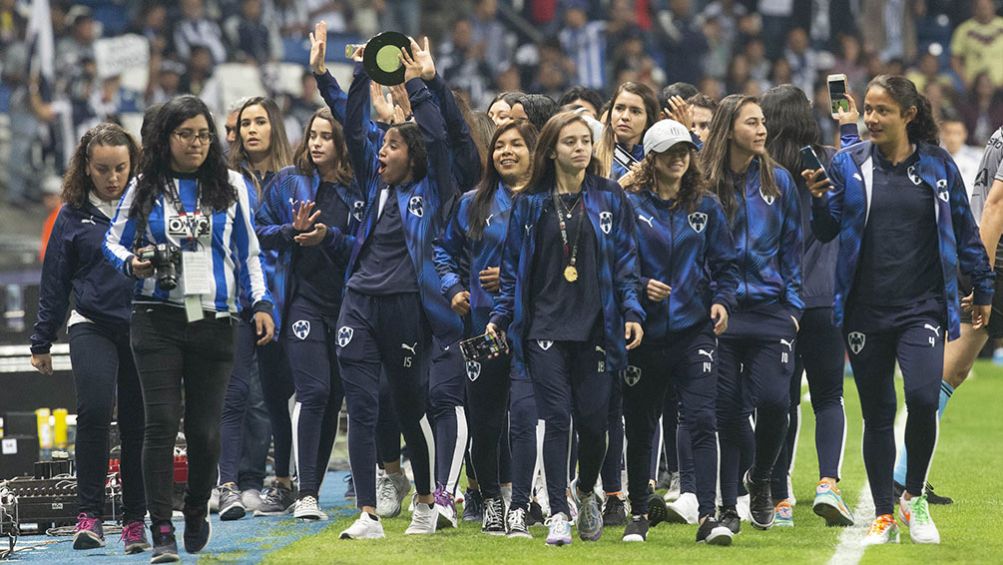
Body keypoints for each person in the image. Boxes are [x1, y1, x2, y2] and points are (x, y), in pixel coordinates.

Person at [809, 75, 994, 546]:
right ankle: (885, 514)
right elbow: (829, 230)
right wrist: (819, 202)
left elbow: (964, 230)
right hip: (865, 310)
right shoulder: (850, 164)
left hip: (923, 307)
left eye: (882, 110)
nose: (870, 118)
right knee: (877, 412)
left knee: (925, 398)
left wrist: (984, 287)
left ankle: (914, 497)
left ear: (908, 114)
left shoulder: (936, 165)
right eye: (867, 109)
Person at [104, 95, 274, 563]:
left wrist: (260, 302)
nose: (197, 143)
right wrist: (132, 264)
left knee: (204, 432)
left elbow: (249, 254)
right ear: (166, 139)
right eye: (186, 135)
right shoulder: (143, 188)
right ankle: (162, 529)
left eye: (203, 134)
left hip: (215, 320)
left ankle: (197, 506)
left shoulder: (232, 185)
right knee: (160, 424)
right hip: (155, 319)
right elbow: (111, 243)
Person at [486, 111, 644, 546]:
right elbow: (513, 271)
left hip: (597, 328)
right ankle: (558, 512)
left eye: (585, 141)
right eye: (570, 141)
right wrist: (500, 317)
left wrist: (632, 313)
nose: (580, 147)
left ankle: (586, 487)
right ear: (552, 149)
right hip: (544, 330)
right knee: (557, 420)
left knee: (595, 426)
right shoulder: (530, 204)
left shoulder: (610, 197)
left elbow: (628, 263)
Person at [335, 39, 462, 540]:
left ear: (414, 155)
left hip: (409, 308)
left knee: (411, 407)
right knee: (362, 407)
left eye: (392, 145)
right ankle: (366, 513)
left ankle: (427, 503)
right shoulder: (375, 184)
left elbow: (437, 134)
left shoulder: (432, 190)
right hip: (359, 302)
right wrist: (362, 72)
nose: (381, 150)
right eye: (382, 144)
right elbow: (351, 126)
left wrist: (415, 82)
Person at [619, 119, 739, 545]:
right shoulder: (628, 205)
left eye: (685, 150)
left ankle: (709, 515)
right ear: (650, 158)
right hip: (644, 334)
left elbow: (726, 265)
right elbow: (616, 264)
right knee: (640, 425)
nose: (679, 158)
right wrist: (638, 287)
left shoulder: (705, 206)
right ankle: (637, 512)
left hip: (694, 332)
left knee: (703, 419)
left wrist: (723, 301)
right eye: (669, 151)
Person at [30, 124, 149, 554]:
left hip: (141, 326)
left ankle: (136, 520)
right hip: (91, 323)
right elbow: (54, 281)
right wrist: (41, 341)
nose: (113, 177)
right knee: (95, 409)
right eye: (103, 169)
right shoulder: (71, 214)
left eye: (120, 168)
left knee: (138, 423)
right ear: (86, 167)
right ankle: (90, 516)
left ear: (133, 164)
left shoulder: (147, 207)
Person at [700, 94, 803, 533]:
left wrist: (794, 309)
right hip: (719, 314)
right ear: (729, 129)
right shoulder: (702, 185)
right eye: (751, 123)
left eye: (763, 123)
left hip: (771, 311)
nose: (762, 130)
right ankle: (728, 505)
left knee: (775, 402)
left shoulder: (778, 181)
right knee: (725, 410)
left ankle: (761, 478)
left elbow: (793, 249)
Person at [255, 106, 364, 520]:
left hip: (348, 306)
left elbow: (363, 244)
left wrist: (328, 238)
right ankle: (305, 493)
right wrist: (291, 232)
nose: (316, 143)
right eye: (312, 135)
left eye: (326, 136)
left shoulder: (360, 191)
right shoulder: (289, 182)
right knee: (314, 392)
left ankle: (312, 489)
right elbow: (259, 230)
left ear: (342, 142)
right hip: (302, 301)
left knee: (335, 396)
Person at [760, 84, 860, 528]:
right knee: (828, 397)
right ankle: (827, 485)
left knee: (780, 401)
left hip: (774, 301)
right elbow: (864, 168)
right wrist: (850, 124)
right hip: (823, 297)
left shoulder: (758, 170)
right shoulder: (829, 161)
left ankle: (780, 499)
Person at [434, 120, 539, 536]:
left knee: (527, 416)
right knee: (486, 420)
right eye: (499, 146)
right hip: (481, 328)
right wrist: (453, 287)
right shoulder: (472, 203)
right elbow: (443, 250)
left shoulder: (547, 203)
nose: (506, 152)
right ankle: (492, 501)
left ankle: (524, 503)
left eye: (516, 145)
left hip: (532, 328)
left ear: (535, 151)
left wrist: (517, 277)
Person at [215, 96, 293, 520]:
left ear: (273, 127)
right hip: (239, 296)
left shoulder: (292, 178)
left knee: (273, 397)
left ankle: (272, 480)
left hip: (284, 297)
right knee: (237, 392)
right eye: (244, 123)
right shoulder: (225, 181)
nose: (250, 130)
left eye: (260, 122)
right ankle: (234, 480)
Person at [594, 82, 659, 180]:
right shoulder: (592, 155)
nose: (625, 117)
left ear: (648, 121)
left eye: (635, 111)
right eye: (619, 108)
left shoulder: (658, 162)